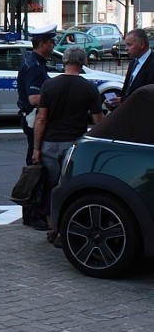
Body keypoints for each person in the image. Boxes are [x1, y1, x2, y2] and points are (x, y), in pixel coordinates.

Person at [32, 46, 103, 246]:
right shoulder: (89, 88)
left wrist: (37, 148)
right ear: (83, 63)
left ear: (64, 62)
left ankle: (54, 229)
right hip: (75, 145)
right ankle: (67, 230)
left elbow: (41, 119)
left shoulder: (49, 85)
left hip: (50, 144)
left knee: (51, 187)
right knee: (69, 189)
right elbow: (99, 120)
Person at [15, 23, 56, 231]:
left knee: (36, 164)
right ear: (42, 44)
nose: (54, 45)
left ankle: (31, 212)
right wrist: (56, 96)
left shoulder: (37, 63)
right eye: (51, 42)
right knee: (34, 165)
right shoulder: (33, 66)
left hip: (32, 118)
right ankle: (31, 214)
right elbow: (33, 98)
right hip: (32, 119)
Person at [106, 28, 154, 109]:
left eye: (129, 45)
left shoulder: (152, 63)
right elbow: (128, 89)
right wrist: (116, 102)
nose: (126, 48)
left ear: (142, 45)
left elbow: (148, 93)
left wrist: (123, 100)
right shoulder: (133, 63)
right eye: (125, 45)